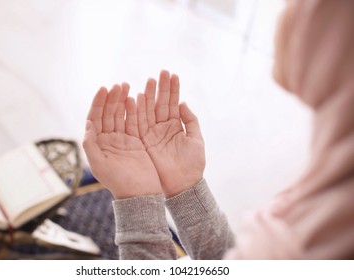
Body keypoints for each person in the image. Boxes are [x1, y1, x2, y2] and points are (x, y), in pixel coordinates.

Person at [83, 0, 354, 259]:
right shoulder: (330, 205)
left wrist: (136, 200)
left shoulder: (300, 247)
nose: (282, 17)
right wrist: (186, 189)